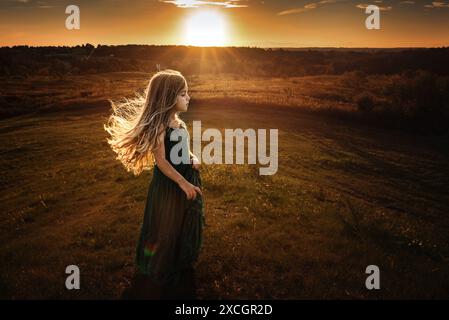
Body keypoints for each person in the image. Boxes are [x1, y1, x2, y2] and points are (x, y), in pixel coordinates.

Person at [104, 69, 204, 299]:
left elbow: (182, 150)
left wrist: (193, 158)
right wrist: (183, 184)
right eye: (183, 94)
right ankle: (158, 269)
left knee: (183, 223)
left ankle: (180, 261)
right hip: (170, 186)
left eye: (187, 93)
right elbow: (161, 162)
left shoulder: (179, 123)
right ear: (169, 97)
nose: (188, 98)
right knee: (165, 227)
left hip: (186, 179)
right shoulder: (161, 127)